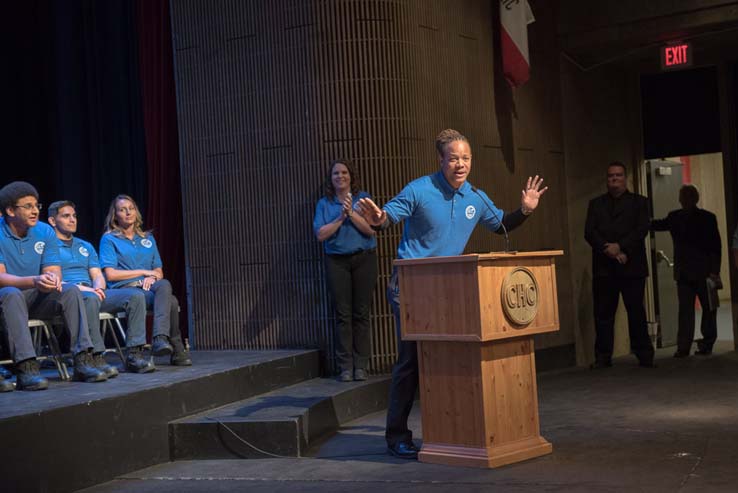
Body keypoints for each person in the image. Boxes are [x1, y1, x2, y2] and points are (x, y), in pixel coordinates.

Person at [356, 129, 547, 459]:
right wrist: (379, 219)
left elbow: (501, 224)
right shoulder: (420, 189)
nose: (461, 164)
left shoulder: (475, 196)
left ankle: (450, 434)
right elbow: (387, 216)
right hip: (411, 289)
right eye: (454, 158)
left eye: (466, 158)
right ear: (441, 160)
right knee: (411, 361)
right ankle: (396, 435)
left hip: (449, 291)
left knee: (448, 360)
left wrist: (526, 210)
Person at [0, 182, 106, 390]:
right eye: (28, 206)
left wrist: (51, 280)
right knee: (11, 293)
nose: (34, 211)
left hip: (35, 296)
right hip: (7, 298)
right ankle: (26, 368)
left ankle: (82, 359)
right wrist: (34, 280)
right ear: (10, 210)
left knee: (70, 290)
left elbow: (53, 269)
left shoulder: (44, 231)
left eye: (36, 206)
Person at [48, 200, 155, 374]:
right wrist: (89, 291)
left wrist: (98, 287)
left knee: (136, 296)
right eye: (66, 216)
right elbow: (55, 280)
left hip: (93, 292)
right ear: (52, 221)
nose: (72, 220)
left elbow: (97, 274)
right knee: (89, 298)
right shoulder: (49, 246)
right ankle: (96, 356)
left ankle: (134, 354)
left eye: (74, 216)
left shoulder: (85, 246)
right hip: (68, 295)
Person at [99, 195, 191, 366]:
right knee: (170, 301)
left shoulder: (147, 238)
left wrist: (150, 277)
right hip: (124, 290)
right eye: (122, 209)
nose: (128, 212)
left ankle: (159, 338)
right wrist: (143, 273)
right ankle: (176, 348)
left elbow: (159, 272)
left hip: (148, 288)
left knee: (164, 284)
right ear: (115, 216)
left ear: (136, 211)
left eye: (131, 208)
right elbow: (110, 275)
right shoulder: (109, 238)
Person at [584, 162, 655, 369]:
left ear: (625, 178)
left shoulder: (640, 202)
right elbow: (589, 232)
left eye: (618, 175)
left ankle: (644, 355)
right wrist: (609, 249)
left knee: (636, 312)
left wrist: (621, 247)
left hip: (632, 265)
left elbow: (641, 229)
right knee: (604, 314)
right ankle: (603, 357)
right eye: (610, 176)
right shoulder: (595, 204)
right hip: (604, 268)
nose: (614, 179)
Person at [313, 160, 378, 382]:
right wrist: (341, 217)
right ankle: (345, 367)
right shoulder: (324, 203)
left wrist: (351, 213)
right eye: (335, 173)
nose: (340, 176)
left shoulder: (363, 199)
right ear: (330, 179)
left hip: (364, 260)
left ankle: (361, 365)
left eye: (344, 172)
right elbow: (321, 234)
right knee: (343, 314)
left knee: (361, 313)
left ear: (351, 176)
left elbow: (371, 230)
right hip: (336, 262)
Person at [651, 185, 721, 357]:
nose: (685, 199)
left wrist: (714, 272)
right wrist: (714, 271)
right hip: (702, 272)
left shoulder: (676, 217)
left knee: (688, 311)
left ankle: (684, 347)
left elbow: (657, 225)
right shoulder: (708, 218)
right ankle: (705, 344)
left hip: (692, 273)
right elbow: (716, 247)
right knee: (707, 309)